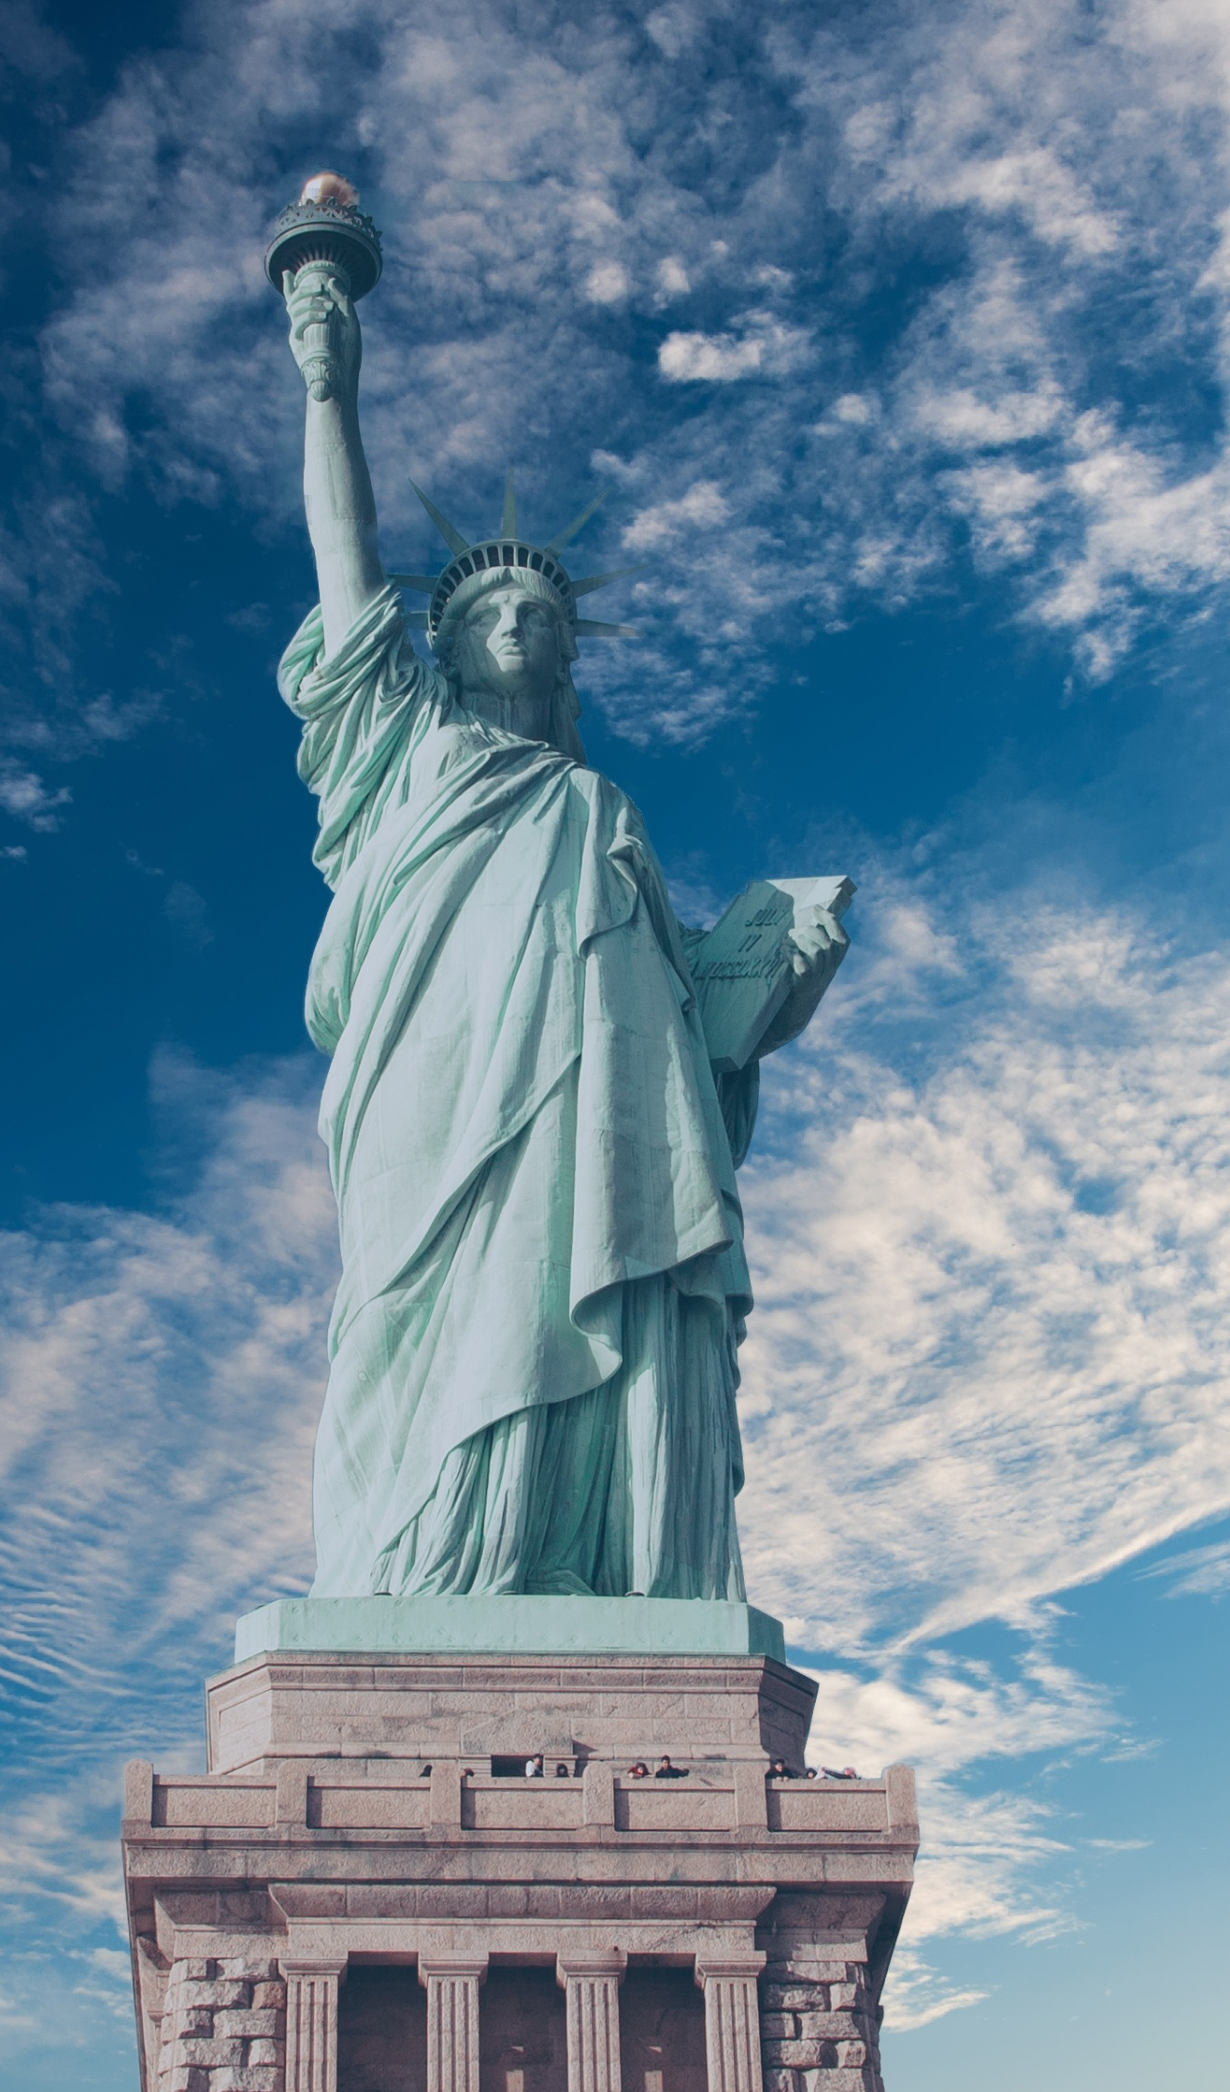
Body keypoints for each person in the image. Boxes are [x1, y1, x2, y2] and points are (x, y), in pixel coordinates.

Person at [273, 242, 847, 1601]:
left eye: (541, 610)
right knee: (423, 1313)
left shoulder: (602, 809)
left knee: (592, 1289)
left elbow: (686, 1028)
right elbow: (347, 567)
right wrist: (327, 388)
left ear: (570, 651)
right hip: (434, 1091)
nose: (520, 623)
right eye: (489, 609)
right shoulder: (404, 752)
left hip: (597, 1116)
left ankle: (580, 1557)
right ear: (443, 646)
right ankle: (427, 1568)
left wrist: (769, 988)